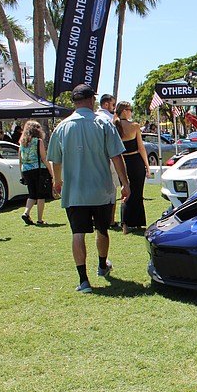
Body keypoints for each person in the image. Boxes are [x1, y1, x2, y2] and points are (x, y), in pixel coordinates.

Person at [48, 84, 130, 294]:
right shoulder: (103, 123)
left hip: (74, 191)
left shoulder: (62, 127)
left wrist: (57, 181)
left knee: (78, 233)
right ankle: (102, 266)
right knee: (102, 230)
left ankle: (83, 280)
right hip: (101, 190)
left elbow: (55, 161)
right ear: (92, 99)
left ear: (74, 101)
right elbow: (116, 156)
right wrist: (125, 183)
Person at [113, 101, 150, 234]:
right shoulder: (134, 126)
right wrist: (147, 165)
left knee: (125, 192)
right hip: (135, 160)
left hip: (122, 162)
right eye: (130, 110)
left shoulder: (114, 126)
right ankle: (138, 222)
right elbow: (141, 148)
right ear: (124, 111)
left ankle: (126, 224)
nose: (131, 112)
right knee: (138, 192)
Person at [18, 120, 54, 225]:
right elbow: (43, 157)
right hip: (39, 170)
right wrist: (51, 172)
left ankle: (26, 212)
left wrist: (22, 173)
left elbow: (20, 159)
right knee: (40, 195)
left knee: (32, 194)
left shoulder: (22, 143)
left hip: (26, 170)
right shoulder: (38, 141)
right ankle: (40, 219)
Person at [96, 93, 120, 228]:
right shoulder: (111, 119)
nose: (114, 107)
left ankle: (97, 218)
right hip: (109, 159)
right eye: (113, 104)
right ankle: (110, 219)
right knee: (112, 190)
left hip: (93, 160)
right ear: (106, 104)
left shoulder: (92, 117)